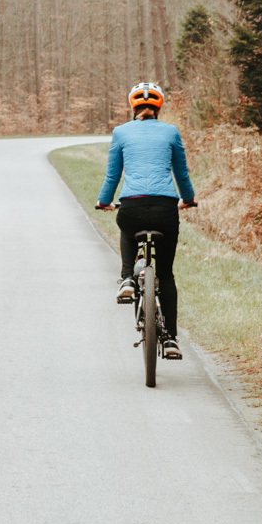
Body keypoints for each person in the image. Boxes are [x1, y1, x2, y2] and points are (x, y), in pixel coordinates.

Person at [94, 81, 195, 358]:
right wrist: (188, 199)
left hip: (132, 206)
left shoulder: (121, 132)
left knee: (127, 228)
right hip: (165, 208)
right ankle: (172, 340)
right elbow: (181, 174)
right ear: (159, 107)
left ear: (133, 106)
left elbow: (112, 175)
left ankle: (127, 278)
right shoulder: (171, 132)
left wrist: (104, 202)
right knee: (166, 274)